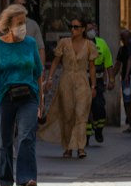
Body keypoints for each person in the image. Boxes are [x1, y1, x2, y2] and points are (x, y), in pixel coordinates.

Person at [0, 2, 44, 186]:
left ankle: (27, 178)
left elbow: (38, 73)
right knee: (4, 140)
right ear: (8, 25)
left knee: (26, 136)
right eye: (19, 23)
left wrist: (41, 99)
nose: (23, 27)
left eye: (24, 22)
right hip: (4, 96)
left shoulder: (30, 44)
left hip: (28, 96)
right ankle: (5, 179)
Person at [39, 16, 95, 158]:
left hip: (82, 81)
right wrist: (50, 78)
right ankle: (68, 147)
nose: (73, 29)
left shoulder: (89, 45)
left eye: (76, 27)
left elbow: (92, 67)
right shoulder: (64, 42)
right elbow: (56, 62)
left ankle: (81, 147)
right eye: (71, 26)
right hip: (66, 80)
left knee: (81, 113)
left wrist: (93, 85)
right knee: (68, 115)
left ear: (83, 29)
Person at [86, 20, 113, 144]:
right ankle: (85, 136)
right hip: (83, 79)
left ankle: (98, 129)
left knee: (98, 106)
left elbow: (108, 63)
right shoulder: (80, 43)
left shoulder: (102, 43)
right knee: (85, 107)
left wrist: (111, 79)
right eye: (89, 28)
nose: (91, 31)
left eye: (93, 28)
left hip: (98, 80)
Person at [12, 0, 46, 67]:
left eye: (23, 5)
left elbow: (40, 49)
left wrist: (41, 69)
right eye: (18, 4)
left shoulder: (33, 25)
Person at [115, 28, 131, 129]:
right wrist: (112, 77)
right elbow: (118, 64)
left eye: (125, 38)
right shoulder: (122, 50)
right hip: (126, 80)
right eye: (122, 39)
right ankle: (130, 122)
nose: (124, 41)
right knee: (127, 101)